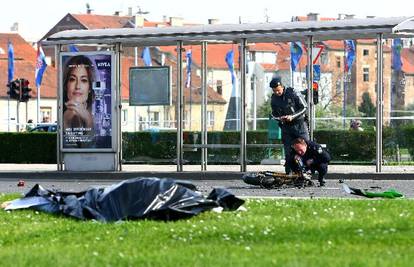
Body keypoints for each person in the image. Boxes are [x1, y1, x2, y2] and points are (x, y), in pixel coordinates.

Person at [270, 77, 309, 174]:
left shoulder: (293, 92)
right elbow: (274, 114)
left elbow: (304, 107)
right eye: (274, 91)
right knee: (288, 152)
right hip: (286, 127)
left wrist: (292, 116)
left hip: (300, 125)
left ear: (282, 87)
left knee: (305, 149)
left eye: (278, 90)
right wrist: (279, 118)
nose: (277, 93)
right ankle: (289, 174)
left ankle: (306, 173)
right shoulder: (274, 99)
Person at [63, 55, 95, 147]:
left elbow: (87, 152)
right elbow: (72, 152)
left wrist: (89, 120)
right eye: (72, 79)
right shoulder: (62, 114)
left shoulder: (98, 120)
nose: (77, 86)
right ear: (66, 85)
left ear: (90, 87)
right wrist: (65, 123)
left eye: (84, 80)